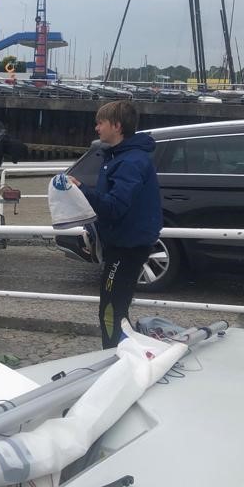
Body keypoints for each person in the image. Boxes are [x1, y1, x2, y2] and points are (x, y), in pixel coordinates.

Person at [71, 101, 162, 349]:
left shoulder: (130, 162)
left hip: (127, 248)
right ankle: (124, 353)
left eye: (101, 123)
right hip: (121, 244)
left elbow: (114, 207)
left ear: (117, 126)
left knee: (111, 310)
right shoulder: (118, 156)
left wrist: (81, 189)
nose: (96, 127)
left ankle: (113, 356)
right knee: (116, 307)